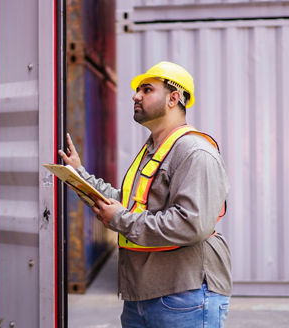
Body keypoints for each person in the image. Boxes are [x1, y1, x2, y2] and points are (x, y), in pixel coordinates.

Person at [59, 61, 232, 328]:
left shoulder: (195, 152)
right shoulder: (153, 149)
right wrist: (78, 174)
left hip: (185, 296)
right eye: (138, 90)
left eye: (147, 89)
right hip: (143, 295)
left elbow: (191, 223)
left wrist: (120, 219)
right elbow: (128, 204)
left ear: (174, 98)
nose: (135, 95)